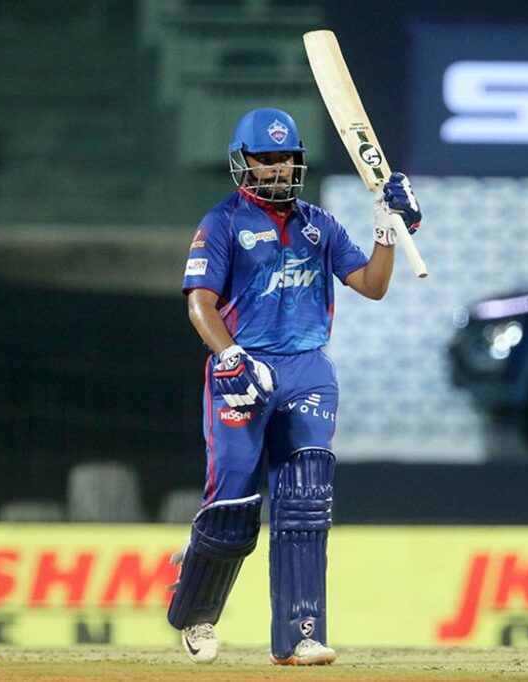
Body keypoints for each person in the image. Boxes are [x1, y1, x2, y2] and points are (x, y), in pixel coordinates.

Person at [166, 107, 422, 666]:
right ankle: (197, 612)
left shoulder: (319, 225)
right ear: (243, 163)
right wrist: (230, 356)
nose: (279, 168)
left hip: (308, 368)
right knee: (234, 501)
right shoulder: (223, 222)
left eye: (287, 158)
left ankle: (300, 634)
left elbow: (372, 285)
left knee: (306, 500)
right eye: (267, 159)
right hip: (242, 368)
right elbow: (199, 303)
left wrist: (387, 229)